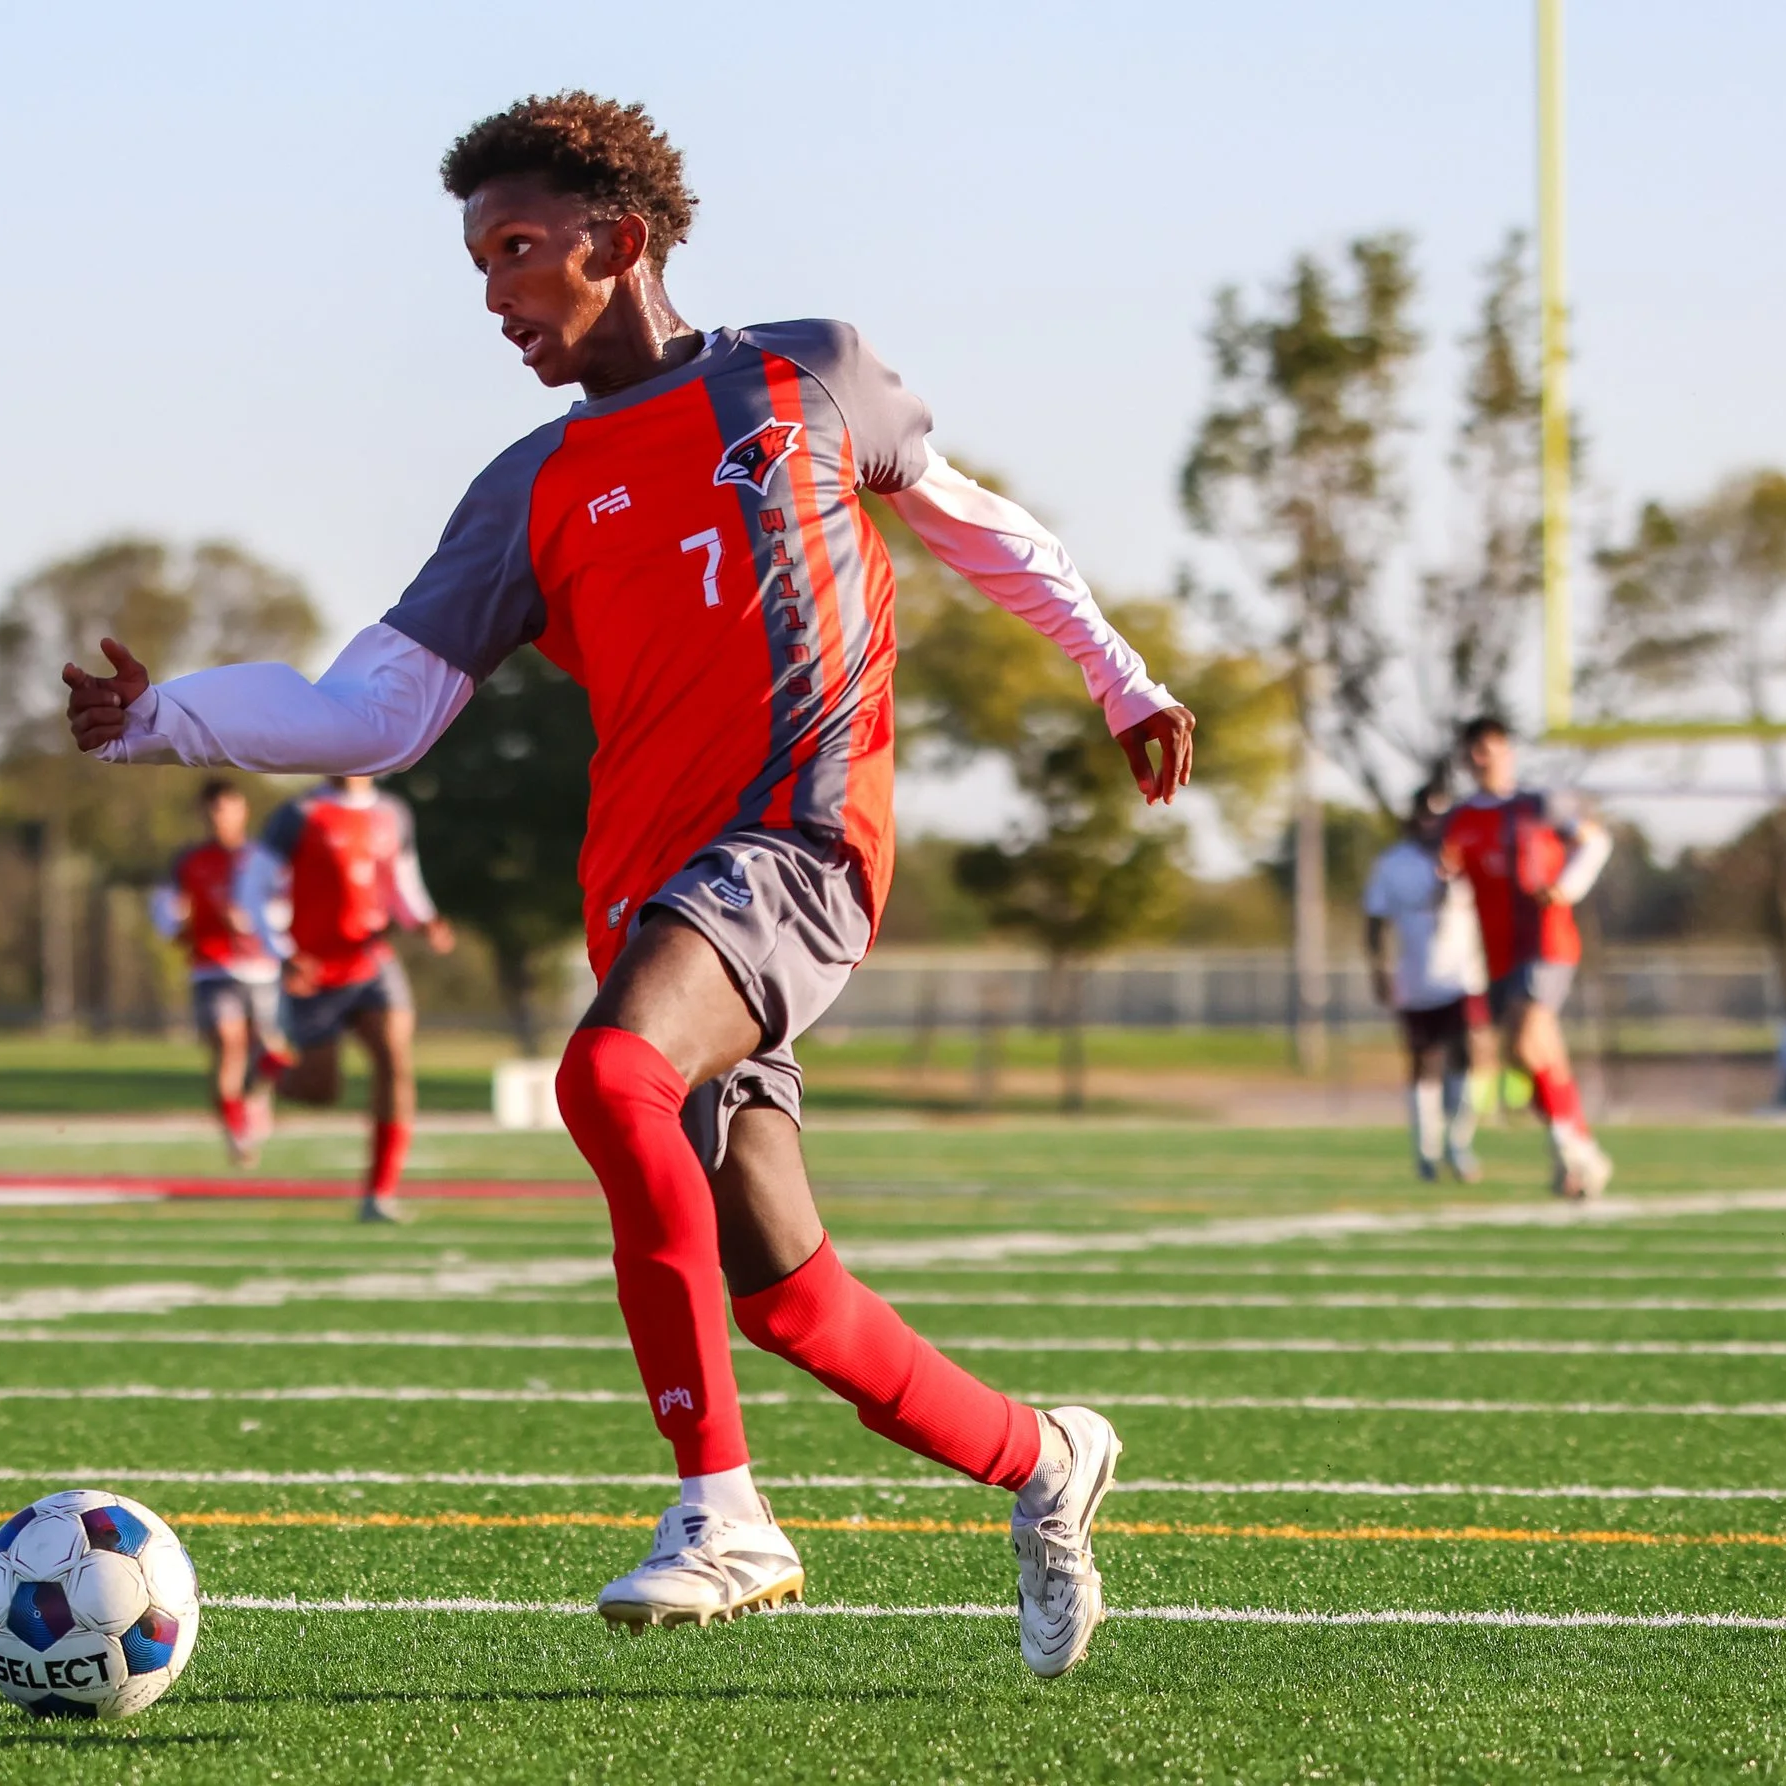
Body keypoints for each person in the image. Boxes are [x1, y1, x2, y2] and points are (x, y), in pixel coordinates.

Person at [62, 92, 1193, 1675]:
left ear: (623, 242)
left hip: (798, 845)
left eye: (518, 249)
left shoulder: (808, 371)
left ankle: (721, 1507)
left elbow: (978, 527)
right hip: (655, 899)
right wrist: (167, 716)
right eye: (476, 263)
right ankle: (1045, 1455)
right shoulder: (527, 486)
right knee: (790, 1297)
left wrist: (1120, 675)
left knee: (607, 1069)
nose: (494, 294)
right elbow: (370, 716)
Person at [236, 774, 455, 1220]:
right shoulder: (298, 815)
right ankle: (268, 1063)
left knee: (395, 1061)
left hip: (371, 960)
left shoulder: (394, 813)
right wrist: (283, 951)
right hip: (314, 971)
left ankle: (379, 1194)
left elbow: (402, 883)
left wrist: (424, 920)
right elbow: (251, 890)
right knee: (320, 1090)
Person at [1442, 715, 1614, 1198]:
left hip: (1546, 942)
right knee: (1540, 1057)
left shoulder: (1538, 805)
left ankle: (1572, 1153)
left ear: (1508, 751)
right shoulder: (1459, 819)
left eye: (1492, 747)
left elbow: (1597, 841)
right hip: (1496, 953)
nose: (1484, 758)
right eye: (1475, 750)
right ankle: (1581, 1151)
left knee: (1525, 1041)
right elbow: (1451, 878)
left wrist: (1567, 887)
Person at [152, 778, 289, 1166]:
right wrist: (178, 923)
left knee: (270, 1051)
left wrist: (252, 923)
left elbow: (285, 909)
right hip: (212, 968)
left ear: (243, 811)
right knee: (229, 1046)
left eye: (228, 808)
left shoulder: (263, 859)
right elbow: (166, 911)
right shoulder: (189, 860)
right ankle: (235, 1133)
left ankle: (256, 1099)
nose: (220, 818)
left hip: (260, 967)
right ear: (203, 814)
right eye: (213, 810)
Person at [1363, 783, 1490, 1182]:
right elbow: (1374, 921)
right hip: (1416, 977)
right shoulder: (1393, 863)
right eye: (1425, 814)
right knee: (1424, 1062)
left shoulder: (1467, 857)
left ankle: (1459, 1143)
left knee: (1468, 1058)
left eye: (1439, 815)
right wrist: (1379, 970)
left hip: (1464, 977)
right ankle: (1426, 1149)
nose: (1431, 823)